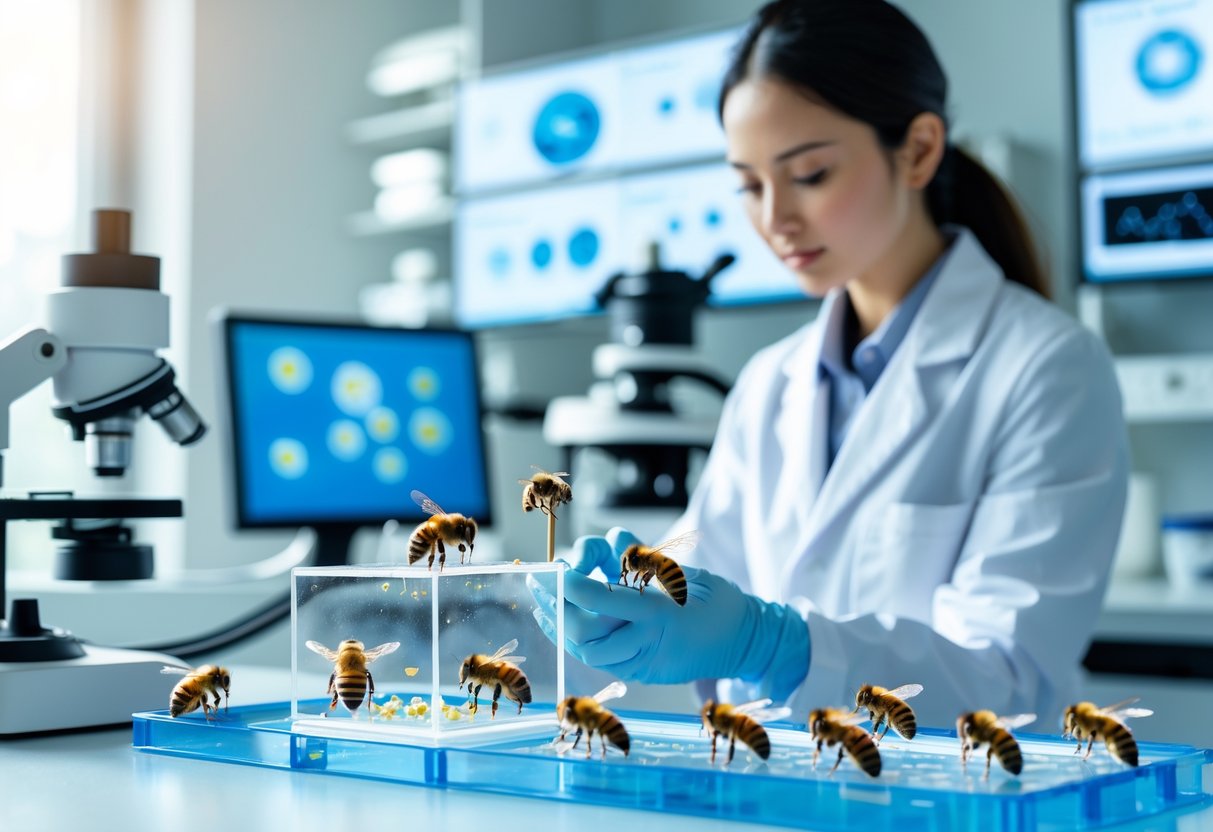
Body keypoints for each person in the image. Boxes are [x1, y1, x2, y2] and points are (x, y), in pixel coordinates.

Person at [529, 0, 1128, 729]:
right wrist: (627, 602)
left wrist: (775, 645)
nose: (774, 218)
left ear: (917, 149)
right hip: (778, 786)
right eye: (749, 185)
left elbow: (1008, 680)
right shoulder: (768, 384)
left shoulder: (1045, 367)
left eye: (808, 173)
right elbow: (699, 592)